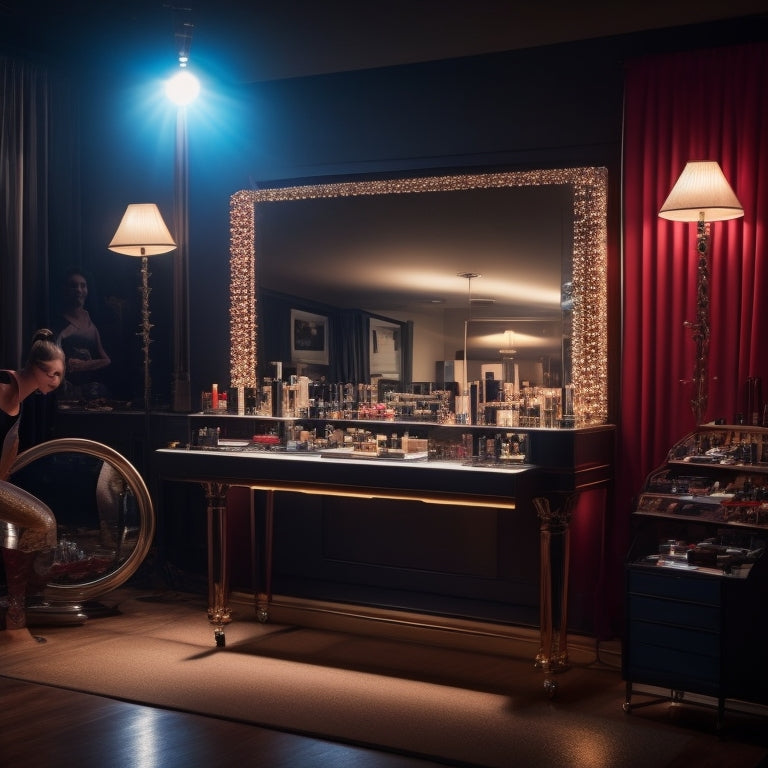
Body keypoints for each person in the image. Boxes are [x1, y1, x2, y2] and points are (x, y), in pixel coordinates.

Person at [1, 329, 65, 643]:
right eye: (50, 372)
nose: (55, 380)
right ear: (34, 368)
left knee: (39, 522)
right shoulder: (5, 385)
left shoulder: (21, 400)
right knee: (41, 520)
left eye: (59, 375)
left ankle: (16, 618)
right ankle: (15, 620)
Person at [56, 268, 111, 400]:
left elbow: (107, 360)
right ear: (65, 290)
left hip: (92, 390)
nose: (79, 290)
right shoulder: (57, 321)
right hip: (64, 388)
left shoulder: (92, 322)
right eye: (73, 286)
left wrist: (84, 365)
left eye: (83, 285)